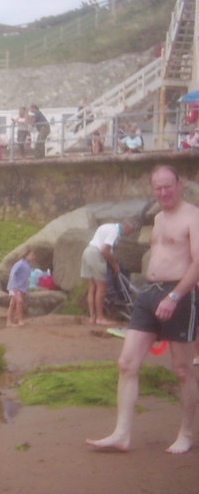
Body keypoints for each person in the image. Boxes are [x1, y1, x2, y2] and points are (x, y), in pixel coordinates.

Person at [86, 165, 199, 454]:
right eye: (157, 188)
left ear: (180, 183)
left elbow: (197, 263)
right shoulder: (158, 218)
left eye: (168, 186)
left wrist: (174, 296)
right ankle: (121, 433)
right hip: (149, 293)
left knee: (183, 370)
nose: (163, 192)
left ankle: (186, 433)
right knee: (126, 364)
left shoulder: (193, 216)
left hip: (180, 294)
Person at [80, 219, 137, 326]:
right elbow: (104, 250)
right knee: (101, 287)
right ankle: (100, 318)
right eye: (131, 231)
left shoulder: (107, 226)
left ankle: (93, 317)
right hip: (95, 254)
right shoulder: (114, 231)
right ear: (126, 226)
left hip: (87, 252)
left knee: (92, 287)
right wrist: (115, 264)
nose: (129, 234)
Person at [6, 247, 35, 327]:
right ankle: (20, 320)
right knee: (19, 301)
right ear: (26, 255)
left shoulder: (27, 264)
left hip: (20, 287)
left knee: (12, 304)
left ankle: (9, 321)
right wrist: (14, 286)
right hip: (14, 287)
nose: (33, 257)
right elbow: (13, 274)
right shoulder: (20, 264)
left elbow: (25, 277)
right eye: (32, 255)